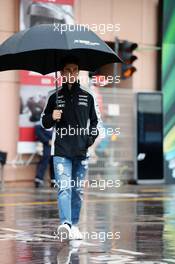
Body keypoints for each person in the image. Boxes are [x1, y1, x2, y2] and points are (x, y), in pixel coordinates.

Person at [40, 56, 100, 240]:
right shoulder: (54, 96)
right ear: (62, 73)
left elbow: (96, 123)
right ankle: (65, 224)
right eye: (67, 70)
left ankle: (74, 225)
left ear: (78, 72)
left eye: (74, 70)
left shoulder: (88, 97)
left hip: (82, 152)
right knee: (64, 188)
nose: (71, 73)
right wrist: (53, 116)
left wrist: (89, 139)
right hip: (61, 152)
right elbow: (44, 122)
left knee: (77, 190)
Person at [34, 124, 55, 188]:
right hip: (45, 146)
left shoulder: (55, 126)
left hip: (54, 146)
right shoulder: (39, 126)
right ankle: (38, 179)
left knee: (54, 162)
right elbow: (39, 134)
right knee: (44, 161)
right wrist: (47, 141)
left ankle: (53, 180)